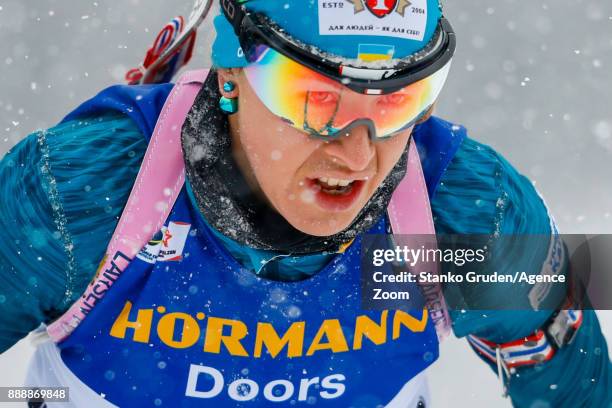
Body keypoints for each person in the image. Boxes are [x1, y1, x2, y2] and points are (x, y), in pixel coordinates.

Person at [0, 1, 609, 407]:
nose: (359, 153)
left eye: (398, 103)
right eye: (318, 101)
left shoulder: (459, 220)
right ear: (231, 74)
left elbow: (575, 376)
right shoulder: (82, 196)